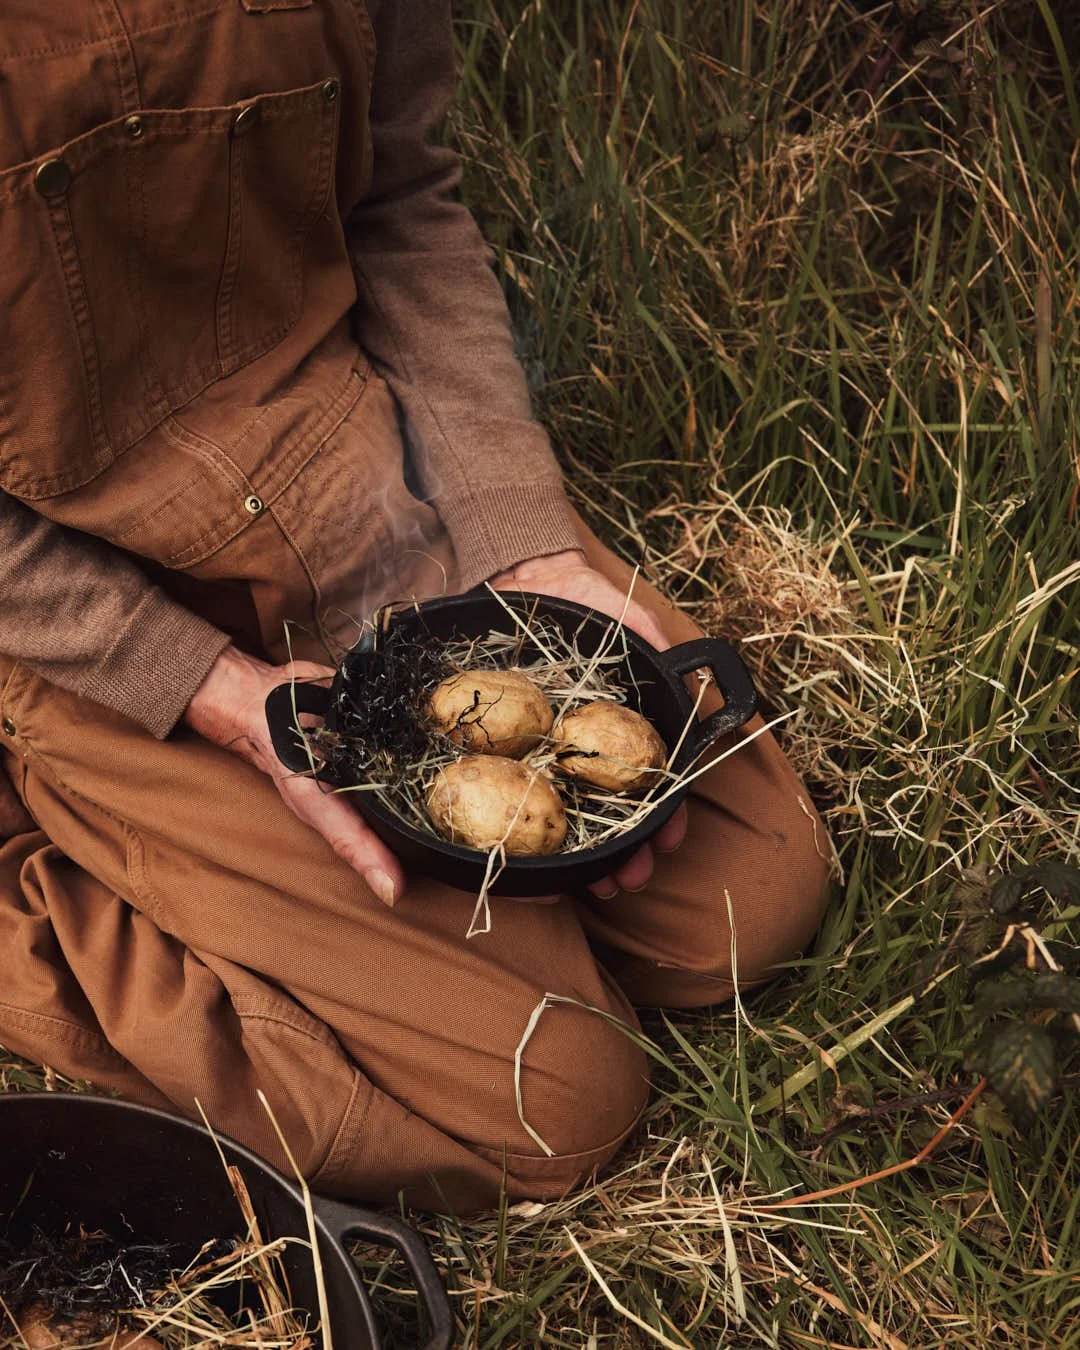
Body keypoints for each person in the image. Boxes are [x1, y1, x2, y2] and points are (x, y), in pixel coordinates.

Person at [0, 0, 830, 1213]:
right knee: (558, 1104)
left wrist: (516, 534)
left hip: (358, 486)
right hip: (85, 613)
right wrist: (211, 692)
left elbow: (400, 204)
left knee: (755, 906)